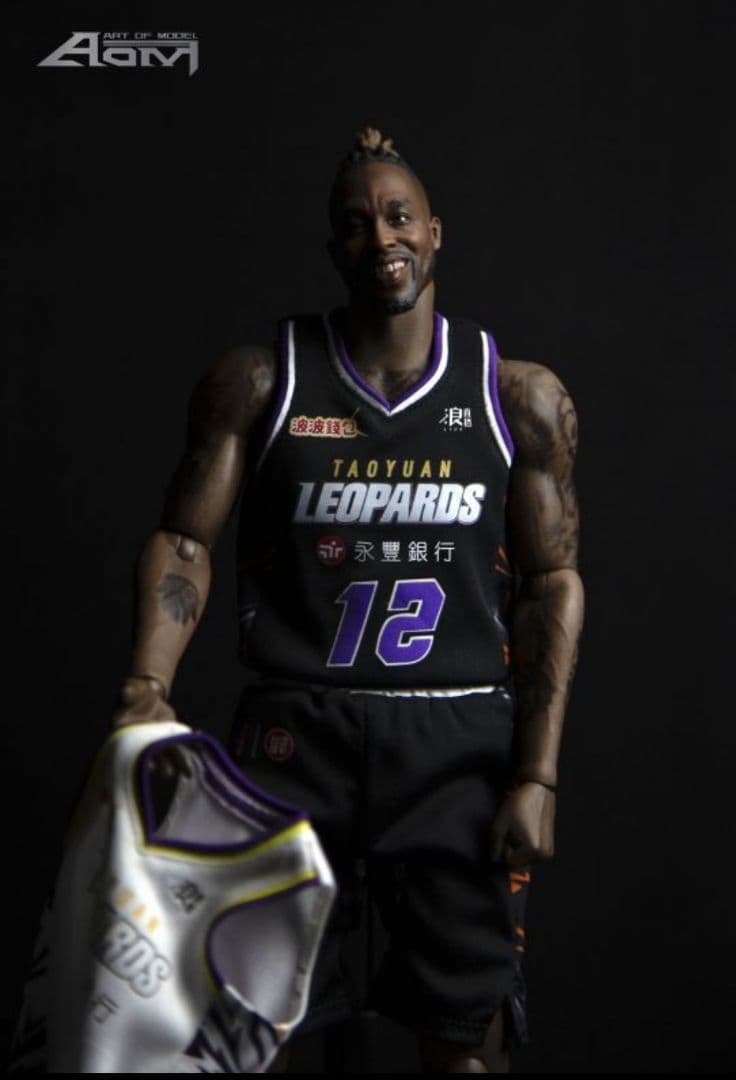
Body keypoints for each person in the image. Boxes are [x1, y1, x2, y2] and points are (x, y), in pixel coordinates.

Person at [112, 127, 585, 1074]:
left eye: (400, 216)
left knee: (466, 1041)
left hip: (455, 747)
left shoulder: (515, 396)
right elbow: (185, 543)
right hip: (297, 739)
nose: (383, 238)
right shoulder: (262, 381)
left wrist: (537, 775)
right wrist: (147, 683)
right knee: (255, 1032)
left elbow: (551, 585)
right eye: (358, 224)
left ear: (436, 232)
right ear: (335, 249)